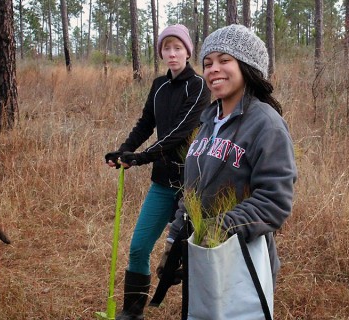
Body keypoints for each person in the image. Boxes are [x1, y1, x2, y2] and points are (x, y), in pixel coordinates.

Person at [159, 23, 298, 311]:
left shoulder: (266, 124)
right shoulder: (209, 120)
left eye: (225, 60)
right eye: (208, 63)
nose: (213, 70)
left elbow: (274, 201)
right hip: (205, 254)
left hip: (242, 260)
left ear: (247, 67)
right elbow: (194, 191)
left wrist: (219, 229)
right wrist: (174, 237)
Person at [104, 24, 210, 320]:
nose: (172, 53)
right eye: (167, 48)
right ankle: (133, 311)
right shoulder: (158, 86)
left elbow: (180, 132)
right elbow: (145, 123)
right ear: (161, 52)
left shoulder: (199, 86)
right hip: (163, 183)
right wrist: (124, 150)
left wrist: (141, 157)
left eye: (178, 48)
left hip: (194, 182)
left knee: (196, 257)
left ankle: (204, 311)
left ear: (188, 52)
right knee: (139, 247)